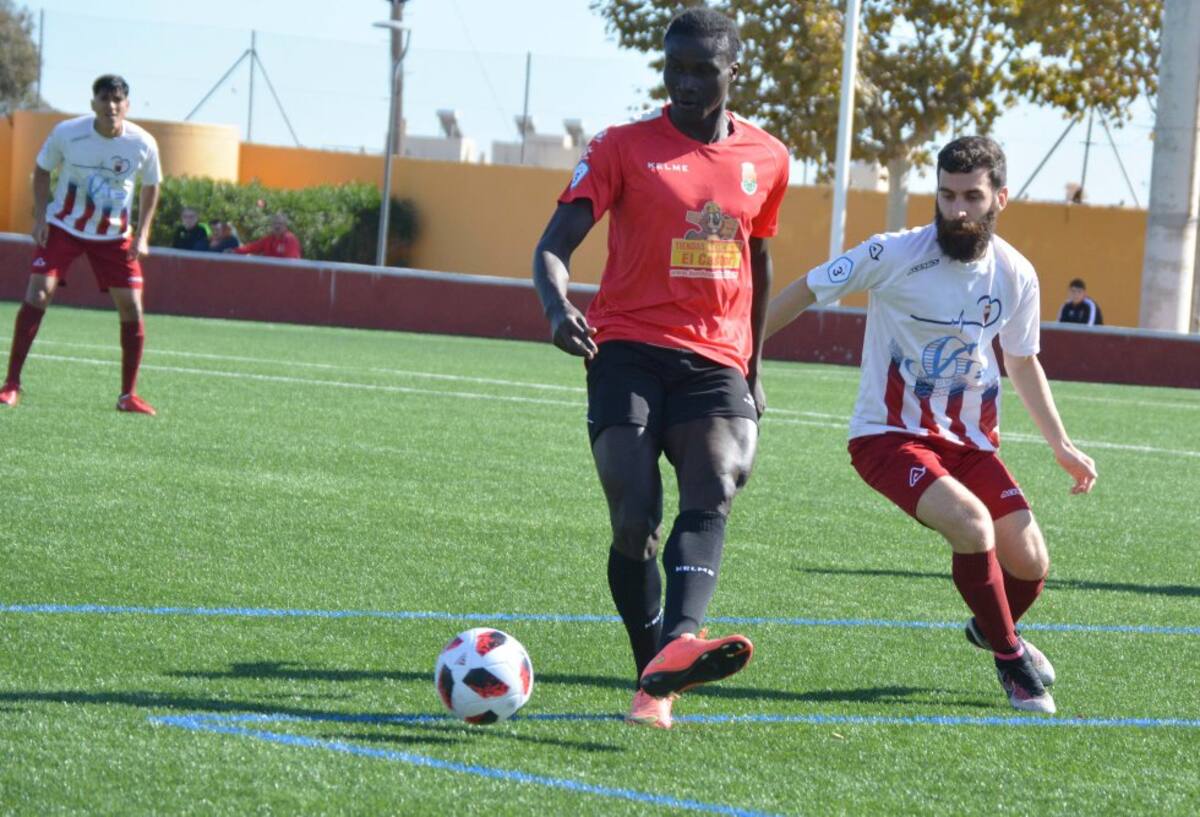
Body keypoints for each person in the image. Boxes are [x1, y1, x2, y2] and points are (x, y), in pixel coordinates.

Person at [766, 136, 1097, 714]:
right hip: (889, 438)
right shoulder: (892, 253)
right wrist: (737, 357)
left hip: (970, 444)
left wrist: (1061, 444)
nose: (958, 210)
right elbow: (807, 289)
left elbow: (1021, 361)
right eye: (947, 196)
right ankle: (1012, 661)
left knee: (1030, 563)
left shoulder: (1015, 274)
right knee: (972, 525)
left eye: (972, 197)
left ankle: (991, 628)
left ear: (1000, 199)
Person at [531, 7, 790, 729]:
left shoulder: (769, 157)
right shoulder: (620, 147)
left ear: (734, 72)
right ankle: (655, 671)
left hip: (716, 357)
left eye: (702, 70)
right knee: (635, 520)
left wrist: (754, 366)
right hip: (625, 348)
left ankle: (677, 647)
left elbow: (758, 259)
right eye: (674, 68)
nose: (684, 82)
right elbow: (554, 244)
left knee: (718, 480)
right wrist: (556, 307)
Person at [1, 74, 161, 414]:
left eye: (117, 100)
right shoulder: (68, 132)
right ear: (93, 104)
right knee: (38, 293)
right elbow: (42, 170)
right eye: (104, 99)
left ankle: (127, 396)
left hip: (114, 235)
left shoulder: (142, 143)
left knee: (132, 307)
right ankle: (11, 384)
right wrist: (41, 218)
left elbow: (151, 186)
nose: (111, 106)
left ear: (127, 105)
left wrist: (144, 233)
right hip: (64, 226)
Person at [230, 212, 301, 258]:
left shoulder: (290, 239)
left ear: (285, 226)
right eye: (275, 223)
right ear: (271, 225)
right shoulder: (268, 239)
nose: (277, 226)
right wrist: (234, 251)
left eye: (280, 224)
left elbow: (291, 262)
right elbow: (252, 247)